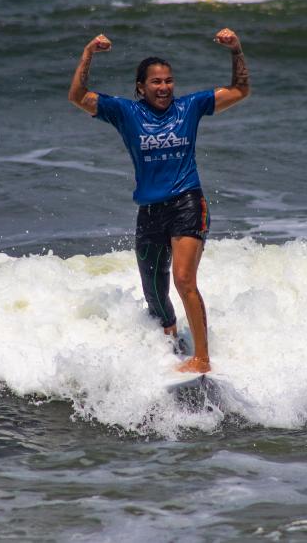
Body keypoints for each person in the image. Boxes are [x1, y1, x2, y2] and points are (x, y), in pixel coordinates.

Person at [67, 28, 250, 373]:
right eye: (156, 82)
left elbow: (241, 90)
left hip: (187, 203)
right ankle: (171, 341)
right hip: (149, 210)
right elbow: (77, 95)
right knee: (154, 291)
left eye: (168, 81)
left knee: (183, 279)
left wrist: (236, 50)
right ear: (141, 87)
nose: (164, 87)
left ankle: (202, 359)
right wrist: (89, 51)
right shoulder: (125, 113)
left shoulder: (190, 107)